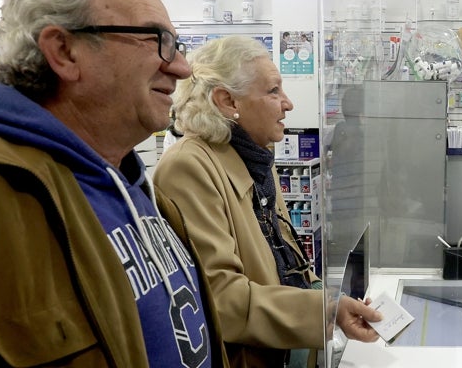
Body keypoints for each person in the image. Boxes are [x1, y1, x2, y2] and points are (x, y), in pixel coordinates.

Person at [0, 0, 225, 367]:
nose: (182, 68)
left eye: (176, 45)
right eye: (157, 41)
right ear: (64, 51)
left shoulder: (134, 186)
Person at [153, 36, 381, 368]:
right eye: (274, 91)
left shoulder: (256, 159)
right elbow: (221, 298)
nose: (288, 104)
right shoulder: (187, 167)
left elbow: (288, 260)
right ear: (227, 100)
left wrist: (335, 301)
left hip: (288, 350)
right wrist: (325, 311)